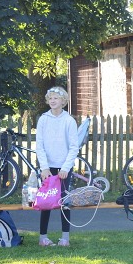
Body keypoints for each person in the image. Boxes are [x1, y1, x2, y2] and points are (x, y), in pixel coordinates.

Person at [36, 86, 79, 247]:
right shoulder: (43, 119)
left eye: (56, 98)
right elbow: (39, 145)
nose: (53, 101)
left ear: (63, 101)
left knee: (64, 202)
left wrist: (66, 168)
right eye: (51, 98)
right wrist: (44, 168)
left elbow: (74, 147)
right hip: (48, 168)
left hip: (64, 169)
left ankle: (65, 238)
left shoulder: (69, 121)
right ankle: (43, 238)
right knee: (46, 202)